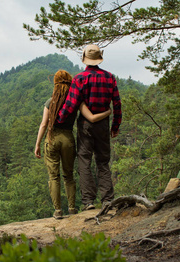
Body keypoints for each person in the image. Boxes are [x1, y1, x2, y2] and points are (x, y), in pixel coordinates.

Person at [34, 69, 111, 219]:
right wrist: (108, 112)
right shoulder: (76, 101)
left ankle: (57, 211)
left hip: (52, 138)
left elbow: (44, 124)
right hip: (68, 140)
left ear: (55, 84)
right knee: (68, 176)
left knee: (54, 177)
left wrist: (37, 144)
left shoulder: (50, 102)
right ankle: (72, 208)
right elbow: (91, 117)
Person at [56, 44, 122, 211]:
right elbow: (117, 104)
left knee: (84, 161)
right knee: (103, 161)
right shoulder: (110, 78)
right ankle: (107, 200)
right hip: (103, 124)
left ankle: (88, 201)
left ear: (85, 58)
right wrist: (115, 125)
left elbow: (71, 104)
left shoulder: (80, 79)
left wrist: (59, 119)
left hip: (85, 124)